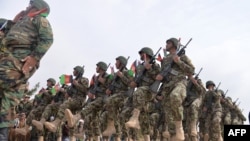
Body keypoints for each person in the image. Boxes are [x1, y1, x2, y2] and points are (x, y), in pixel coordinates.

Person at [0, 0, 53, 140]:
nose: (27, 7)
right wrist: (14, 22)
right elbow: (5, 36)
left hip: (18, 61)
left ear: (38, 9)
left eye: (30, 5)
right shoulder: (22, 22)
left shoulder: (39, 20)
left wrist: (34, 59)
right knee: (7, 100)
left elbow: (48, 39)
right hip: (8, 60)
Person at [155, 38, 195, 140]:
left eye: (168, 43)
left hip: (179, 83)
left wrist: (179, 62)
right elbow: (163, 73)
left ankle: (180, 127)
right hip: (167, 87)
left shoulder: (182, 56)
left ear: (174, 44)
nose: (166, 44)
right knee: (168, 115)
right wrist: (159, 76)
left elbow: (191, 70)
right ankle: (174, 136)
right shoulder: (165, 59)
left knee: (175, 96)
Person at [64, 61, 110, 141]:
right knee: (93, 121)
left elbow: (111, 87)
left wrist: (103, 81)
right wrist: (90, 93)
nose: (96, 68)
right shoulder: (96, 78)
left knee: (89, 107)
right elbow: (89, 89)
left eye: (97, 66)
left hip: (102, 98)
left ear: (101, 67)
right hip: (95, 98)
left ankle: (76, 118)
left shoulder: (108, 76)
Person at [125, 47, 161, 141]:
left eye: (142, 54)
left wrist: (150, 69)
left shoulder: (155, 66)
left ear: (147, 54)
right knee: (144, 120)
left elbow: (158, 78)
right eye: (140, 54)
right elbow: (135, 78)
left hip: (149, 91)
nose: (141, 55)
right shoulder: (139, 66)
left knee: (139, 91)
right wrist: (132, 82)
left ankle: (134, 118)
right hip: (140, 96)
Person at [44, 66, 89, 140]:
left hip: (79, 101)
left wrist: (77, 84)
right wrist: (67, 93)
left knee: (64, 105)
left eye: (74, 70)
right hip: (72, 102)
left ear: (78, 71)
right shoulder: (72, 83)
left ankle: (55, 123)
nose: (73, 71)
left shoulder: (84, 79)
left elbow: (86, 91)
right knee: (71, 125)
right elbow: (69, 93)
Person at [102, 56, 133, 140]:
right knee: (116, 118)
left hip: (124, 95)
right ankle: (116, 133)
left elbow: (131, 84)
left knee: (110, 102)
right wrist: (109, 89)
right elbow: (109, 84)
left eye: (117, 62)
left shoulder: (128, 72)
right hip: (115, 97)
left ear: (122, 63)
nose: (115, 63)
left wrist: (122, 76)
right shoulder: (115, 74)